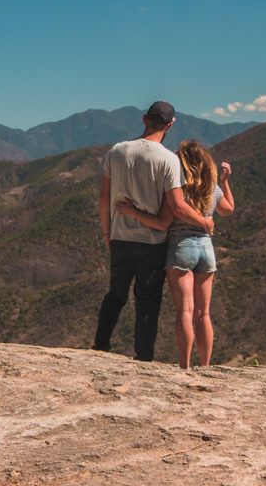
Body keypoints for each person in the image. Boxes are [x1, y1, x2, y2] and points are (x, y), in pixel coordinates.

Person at [93, 102, 213, 361]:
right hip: (153, 242)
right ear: (170, 125)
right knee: (147, 302)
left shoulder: (116, 152)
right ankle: (143, 356)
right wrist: (205, 223)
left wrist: (107, 233)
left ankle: (100, 345)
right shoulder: (169, 159)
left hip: (120, 238)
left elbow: (103, 199)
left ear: (144, 119)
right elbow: (178, 207)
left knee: (115, 294)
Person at [116, 140, 234, 370]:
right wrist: (224, 182)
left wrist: (133, 212)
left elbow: (162, 224)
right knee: (203, 313)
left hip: (181, 249)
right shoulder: (211, 187)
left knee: (185, 311)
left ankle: (185, 366)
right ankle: (206, 366)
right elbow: (228, 209)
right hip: (207, 251)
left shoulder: (177, 190)